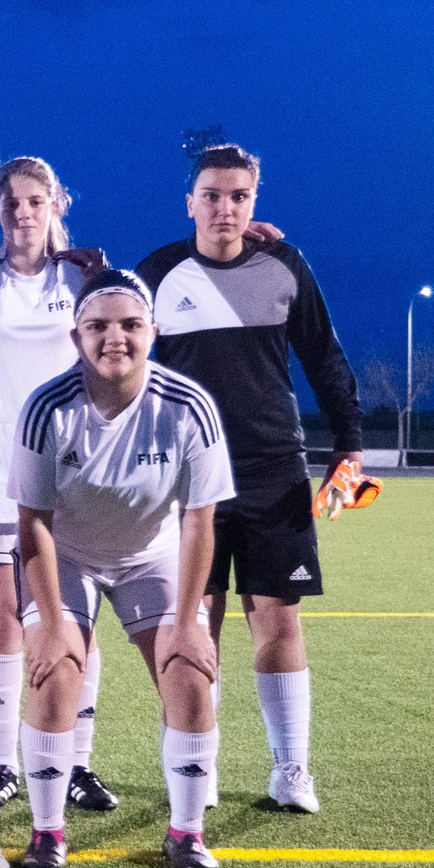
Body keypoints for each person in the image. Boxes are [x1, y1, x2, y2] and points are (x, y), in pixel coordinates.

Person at [136, 144, 361, 814]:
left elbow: (325, 360)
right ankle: (195, 772)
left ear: (254, 202)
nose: (225, 207)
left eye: (238, 196)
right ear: (190, 202)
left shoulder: (286, 266)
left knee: (278, 622)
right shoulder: (158, 271)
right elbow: (114, 345)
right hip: (185, 479)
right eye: (212, 194)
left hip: (275, 472)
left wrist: (348, 447)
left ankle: (291, 770)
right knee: (193, 628)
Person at [9, 270, 233, 868]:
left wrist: (189, 622)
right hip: (68, 554)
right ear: (75, 335)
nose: (116, 338)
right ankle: (48, 832)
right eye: (98, 326)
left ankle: (186, 831)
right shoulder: (46, 407)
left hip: (151, 553)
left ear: (153, 332)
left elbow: (199, 521)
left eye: (131, 325)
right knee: (56, 675)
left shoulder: (189, 406)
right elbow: (33, 524)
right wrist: (53, 623)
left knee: (189, 673)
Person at [0, 157, 116, 814]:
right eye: (13, 203)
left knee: (73, 622)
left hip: (75, 478)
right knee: (3, 624)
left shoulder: (84, 278)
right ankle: (1, 764)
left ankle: (76, 763)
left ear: (57, 204)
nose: (24, 212)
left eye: (36, 201)